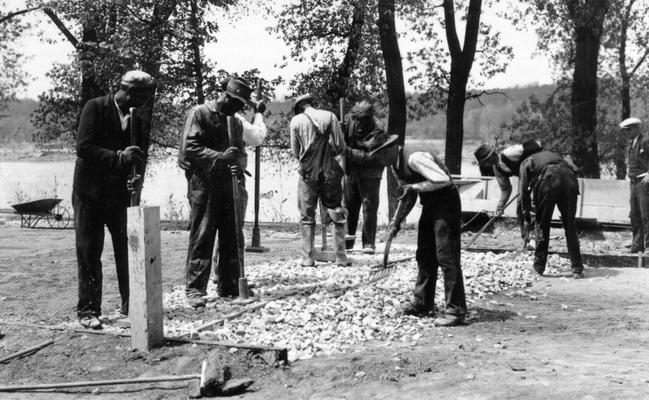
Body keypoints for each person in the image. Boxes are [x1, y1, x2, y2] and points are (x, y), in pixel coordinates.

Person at [73, 70, 155, 329]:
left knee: (126, 250)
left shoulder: (137, 121)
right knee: (89, 251)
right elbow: (84, 148)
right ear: (129, 91)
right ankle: (88, 310)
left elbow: (139, 158)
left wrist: (136, 179)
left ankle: (131, 305)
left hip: (118, 196)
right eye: (143, 96)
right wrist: (119, 157)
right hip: (89, 194)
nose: (145, 102)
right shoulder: (95, 107)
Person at [178, 76, 266, 308]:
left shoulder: (235, 123)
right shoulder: (200, 113)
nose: (239, 109)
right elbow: (189, 148)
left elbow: (241, 154)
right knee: (203, 235)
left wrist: (239, 164)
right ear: (225, 96)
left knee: (232, 235)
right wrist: (219, 157)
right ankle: (195, 290)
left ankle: (228, 286)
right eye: (236, 104)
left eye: (241, 106)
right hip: (204, 185)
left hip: (229, 186)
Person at [390, 143, 467, 327]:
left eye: (379, 156)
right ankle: (422, 302)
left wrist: (415, 187)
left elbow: (442, 180)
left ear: (389, 150)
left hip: (447, 203)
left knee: (446, 256)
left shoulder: (414, 158)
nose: (378, 161)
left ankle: (456, 309)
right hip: (430, 205)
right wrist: (397, 220)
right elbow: (409, 195)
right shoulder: (395, 166)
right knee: (424, 254)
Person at [290, 94, 350, 267]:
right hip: (330, 171)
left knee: (307, 215)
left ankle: (308, 258)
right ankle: (341, 257)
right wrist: (328, 154)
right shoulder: (330, 116)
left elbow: (296, 153)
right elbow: (340, 146)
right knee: (335, 211)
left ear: (299, 108)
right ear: (311, 104)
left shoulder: (296, 121)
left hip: (308, 173)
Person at [518, 147, 584, 278]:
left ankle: (538, 267)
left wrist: (526, 217)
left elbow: (522, 194)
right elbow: (575, 169)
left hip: (549, 180)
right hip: (570, 180)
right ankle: (577, 268)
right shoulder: (556, 155)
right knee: (570, 225)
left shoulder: (526, 162)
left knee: (542, 225)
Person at [342, 100, 398, 254]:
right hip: (352, 171)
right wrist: (341, 133)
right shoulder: (350, 120)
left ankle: (369, 243)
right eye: (356, 118)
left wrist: (346, 150)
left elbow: (368, 157)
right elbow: (345, 139)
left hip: (370, 172)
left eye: (363, 119)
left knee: (369, 206)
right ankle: (348, 241)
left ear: (369, 117)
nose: (358, 122)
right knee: (349, 206)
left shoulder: (378, 130)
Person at [474, 141, 543, 248]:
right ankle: (527, 240)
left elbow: (536, 145)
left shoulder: (510, 153)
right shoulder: (497, 168)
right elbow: (506, 189)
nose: (484, 165)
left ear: (489, 157)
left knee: (528, 204)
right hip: (525, 178)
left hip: (538, 171)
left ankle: (538, 238)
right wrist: (500, 208)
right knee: (520, 208)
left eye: (484, 162)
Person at [622, 117, 649, 253]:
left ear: (636, 128)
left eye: (629, 130)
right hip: (634, 183)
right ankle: (637, 245)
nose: (627, 133)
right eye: (625, 131)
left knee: (646, 214)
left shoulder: (645, 141)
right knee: (634, 214)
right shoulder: (631, 144)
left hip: (644, 182)